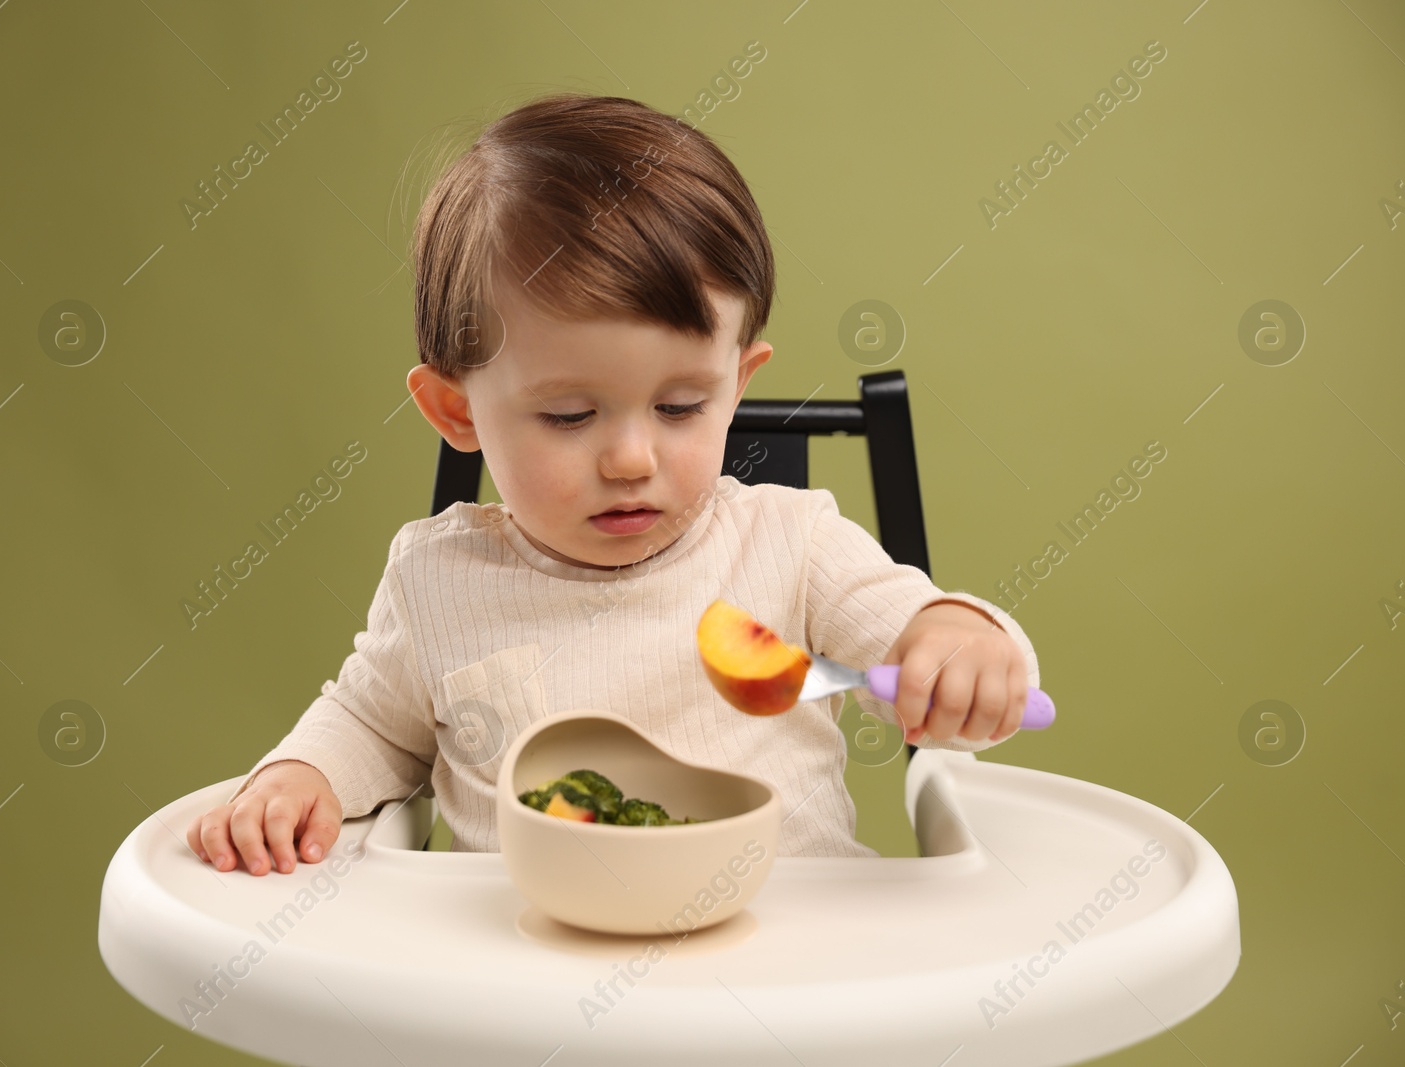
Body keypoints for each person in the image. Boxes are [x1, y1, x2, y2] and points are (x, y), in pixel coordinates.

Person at [187, 92, 1040, 876]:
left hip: (792, 978)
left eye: (680, 406)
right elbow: (371, 723)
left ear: (736, 386)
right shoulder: (438, 585)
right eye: (568, 416)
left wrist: (961, 647)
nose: (632, 458)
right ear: (456, 410)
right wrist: (299, 776)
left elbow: (908, 625)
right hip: (535, 985)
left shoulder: (794, 545)